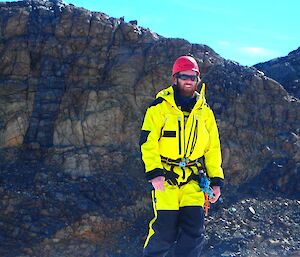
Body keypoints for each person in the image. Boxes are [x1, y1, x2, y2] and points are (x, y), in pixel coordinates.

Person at [139, 55, 224, 257]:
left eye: (193, 77)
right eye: (184, 76)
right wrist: (154, 172)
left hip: (193, 180)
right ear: (175, 78)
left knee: (194, 233)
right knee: (164, 233)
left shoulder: (205, 112)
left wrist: (216, 180)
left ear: (198, 79)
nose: (188, 80)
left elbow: (213, 148)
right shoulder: (159, 107)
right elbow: (147, 141)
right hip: (166, 178)